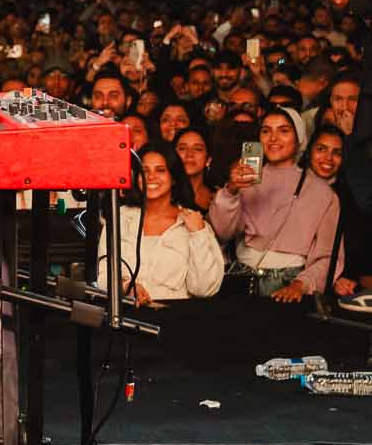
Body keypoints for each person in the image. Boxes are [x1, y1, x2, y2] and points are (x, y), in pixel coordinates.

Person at [211, 108, 342, 304]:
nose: (273, 138)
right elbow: (223, 233)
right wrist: (231, 190)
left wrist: (301, 284)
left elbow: (328, 257)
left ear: (299, 139)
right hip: (242, 280)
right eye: (266, 131)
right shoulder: (245, 177)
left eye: (283, 131)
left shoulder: (323, 193)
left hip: (289, 285)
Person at [100, 143, 223, 304]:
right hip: (126, 312)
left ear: (174, 178)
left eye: (160, 170)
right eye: (144, 171)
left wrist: (198, 234)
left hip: (176, 314)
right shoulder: (120, 218)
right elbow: (103, 276)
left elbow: (203, 289)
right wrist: (126, 286)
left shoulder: (194, 223)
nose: (151, 177)